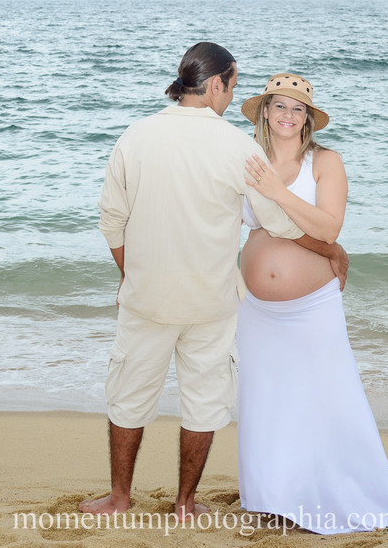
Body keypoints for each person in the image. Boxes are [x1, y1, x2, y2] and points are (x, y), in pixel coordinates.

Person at [82, 45, 349, 521]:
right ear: (216, 84)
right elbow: (280, 222)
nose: (232, 96)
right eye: (234, 84)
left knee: (128, 397)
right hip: (211, 301)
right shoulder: (237, 147)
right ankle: (184, 504)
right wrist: (331, 248)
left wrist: (131, 277)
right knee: (204, 404)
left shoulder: (136, 135)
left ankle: (119, 499)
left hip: (147, 297)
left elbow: (112, 221)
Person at [236, 73, 388, 535]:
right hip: (255, 309)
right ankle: (273, 495)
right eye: (279, 107)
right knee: (267, 398)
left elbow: (329, 228)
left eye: (298, 109)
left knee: (326, 396)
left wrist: (278, 192)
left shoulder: (325, 162)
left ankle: (340, 492)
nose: (288, 115)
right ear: (265, 114)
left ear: (308, 118)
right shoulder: (248, 160)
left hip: (311, 306)